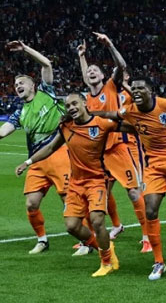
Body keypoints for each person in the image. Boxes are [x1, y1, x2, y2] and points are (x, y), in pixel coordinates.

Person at [93, 76, 166, 280]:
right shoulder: (130, 111)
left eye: (141, 88)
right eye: (134, 89)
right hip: (154, 165)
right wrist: (87, 114)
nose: (136, 92)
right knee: (150, 209)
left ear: (151, 91)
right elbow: (109, 114)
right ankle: (158, 262)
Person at [15, 93, 131, 276]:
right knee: (71, 226)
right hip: (76, 183)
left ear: (85, 103)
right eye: (68, 106)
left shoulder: (101, 123)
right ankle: (106, 247)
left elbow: (128, 127)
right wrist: (28, 162)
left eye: (75, 103)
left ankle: (106, 261)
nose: (71, 108)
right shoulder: (67, 127)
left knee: (97, 220)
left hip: (97, 181)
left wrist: (152, 128)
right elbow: (51, 148)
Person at [78, 33, 149, 253]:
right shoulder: (87, 98)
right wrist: (82, 57)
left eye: (95, 70)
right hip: (98, 152)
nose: (91, 73)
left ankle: (147, 235)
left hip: (118, 146)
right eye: (89, 71)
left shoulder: (110, 85)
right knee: (101, 194)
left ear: (103, 75)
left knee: (133, 192)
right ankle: (110, 229)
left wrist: (109, 44)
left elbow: (121, 64)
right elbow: (85, 76)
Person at [1, 40, 71, 255]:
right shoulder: (19, 112)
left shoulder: (46, 92)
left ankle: (85, 239)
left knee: (68, 200)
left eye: (22, 82)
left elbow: (47, 64)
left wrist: (25, 50)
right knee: (31, 204)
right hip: (37, 160)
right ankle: (42, 240)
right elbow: (3, 131)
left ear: (32, 85)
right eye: (15, 85)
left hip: (60, 153)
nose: (18, 86)